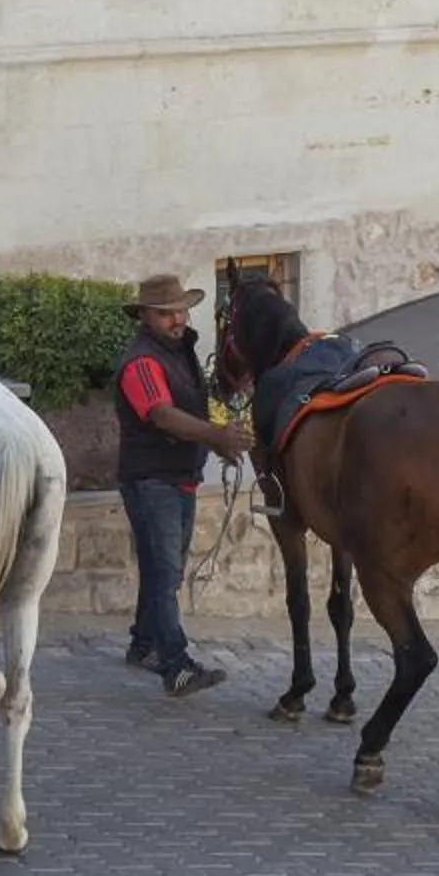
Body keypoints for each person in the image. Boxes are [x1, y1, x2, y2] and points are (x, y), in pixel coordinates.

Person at [113, 272, 252, 698]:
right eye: (165, 313)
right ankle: (176, 666)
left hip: (176, 477)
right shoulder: (142, 361)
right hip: (152, 479)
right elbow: (162, 415)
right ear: (145, 317)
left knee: (161, 569)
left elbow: (188, 410)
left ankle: (143, 642)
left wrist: (218, 439)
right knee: (165, 574)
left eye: (180, 310)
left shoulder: (179, 352)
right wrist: (217, 437)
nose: (176, 319)